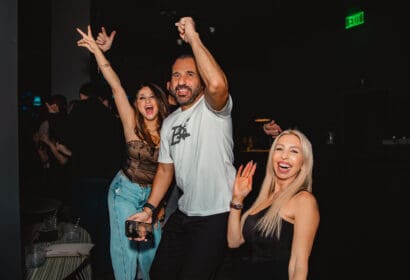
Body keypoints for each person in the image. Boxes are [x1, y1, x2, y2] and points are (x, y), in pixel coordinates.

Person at [127, 16, 236, 280]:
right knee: (160, 273)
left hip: (216, 215)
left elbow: (218, 84)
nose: (181, 81)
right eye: (176, 75)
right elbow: (165, 170)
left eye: (190, 74)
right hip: (184, 212)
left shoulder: (215, 109)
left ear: (201, 80)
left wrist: (193, 37)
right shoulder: (170, 122)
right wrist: (150, 209)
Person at [76, 25, 169, 280]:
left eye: (151, 96)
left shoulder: (171, 128)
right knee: (127, 252)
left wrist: (158, 204)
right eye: (141, 98)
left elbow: (169, 170)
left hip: (153, 195)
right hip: (124, 191)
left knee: (151, 253)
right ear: (136, 104)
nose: (147, 101)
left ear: (159, 101)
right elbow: (115, 84)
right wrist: (98, 53)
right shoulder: (131, 122)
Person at [227, 129, 320, 280]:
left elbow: (298, 265)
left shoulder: (303, 200)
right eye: (279, 149)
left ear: (303, 162)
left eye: (294, 151)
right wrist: (237, 199)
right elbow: (234, 241)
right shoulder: (265, 198)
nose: (284, 156)